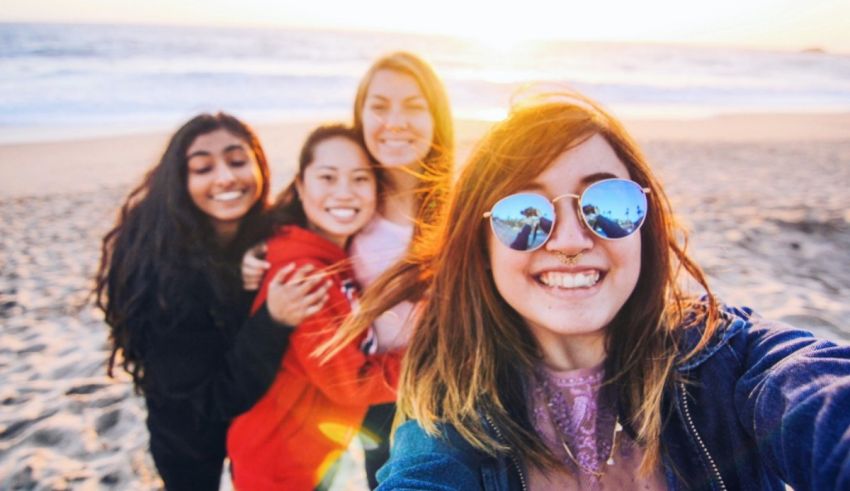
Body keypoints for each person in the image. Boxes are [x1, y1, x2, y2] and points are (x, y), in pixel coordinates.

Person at [341, 93, 850, 490]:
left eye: (607, 203)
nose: (568, 241)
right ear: (482, 244)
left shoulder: (726, 357)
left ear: (645, 221)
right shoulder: (452, 411)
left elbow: (818, 395)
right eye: (526, 215)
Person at [243, 51, 455, 488]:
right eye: (379, 107)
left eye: (414, 106)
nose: (395, 121)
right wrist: (248, 257)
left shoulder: (461, 208)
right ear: (360, 117)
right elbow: (284, 233)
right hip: (379, 400)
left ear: (437, 118)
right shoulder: (349, 202)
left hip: (450, 391)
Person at [94, 113, 322, 490]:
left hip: (258, 424)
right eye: (203, 167)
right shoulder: (159, 270)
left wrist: (250, 264)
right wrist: (273, 319)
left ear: (260, 166)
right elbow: (214, 397)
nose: (225, 177)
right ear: (180, 180)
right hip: (186, 428)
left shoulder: (262, 232)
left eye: (237, 161)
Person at [227, 124, 403, 490]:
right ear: (302, 186)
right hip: (277, 466)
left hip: (314, 453)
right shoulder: (303, 276)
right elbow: (351, 385)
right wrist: (434, 362)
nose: (344, 192)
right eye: (327, 177)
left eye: (359, 178)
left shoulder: (332, 257)